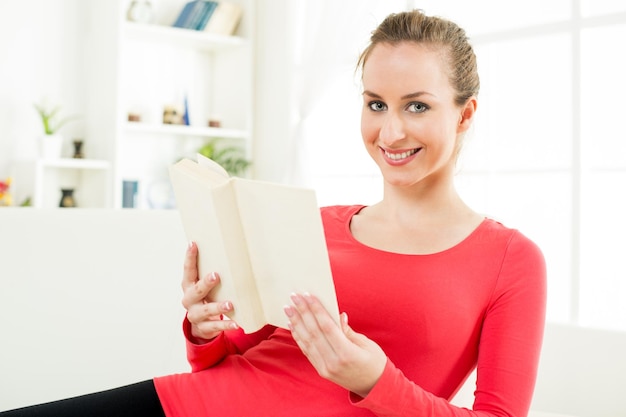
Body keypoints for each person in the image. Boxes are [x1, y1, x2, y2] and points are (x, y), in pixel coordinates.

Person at [1, 9, 546, 417]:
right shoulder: (320, 223)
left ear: (466, 113)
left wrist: (377, 379)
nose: (391, 131)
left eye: (417, 106)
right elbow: (234, 360)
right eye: (376, 103)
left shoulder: (510, 260)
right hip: (192, 405)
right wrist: (205, 329)